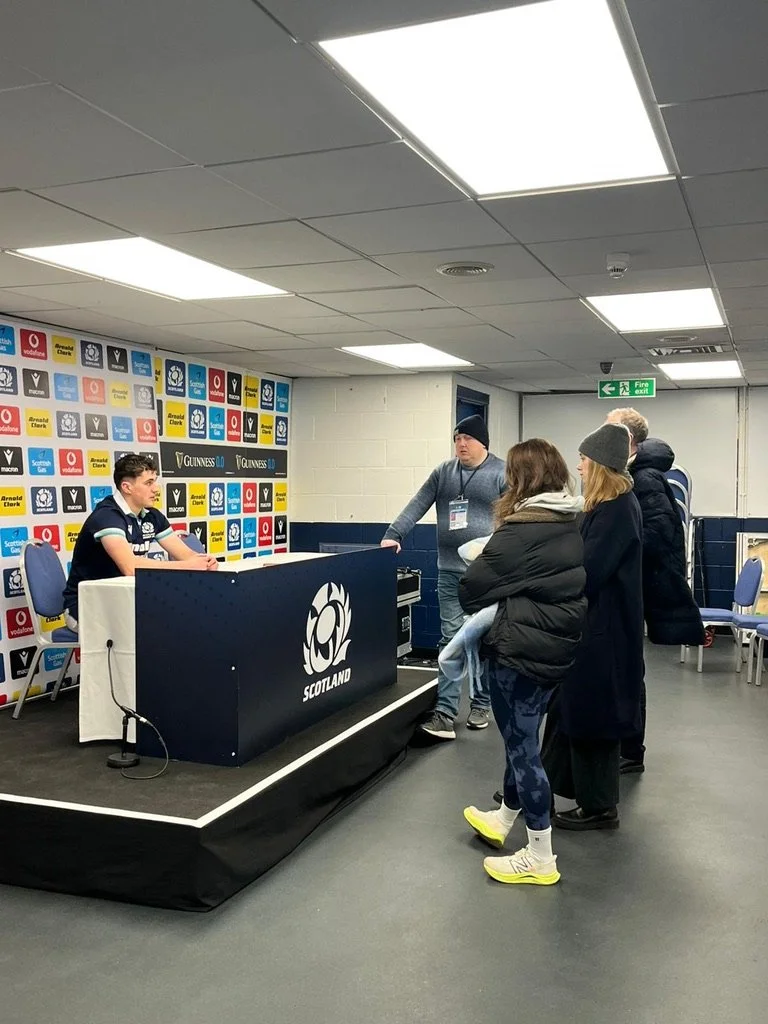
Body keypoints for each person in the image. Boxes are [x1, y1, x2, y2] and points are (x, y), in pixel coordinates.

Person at [457, 439, 586, 885]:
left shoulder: (521, 527)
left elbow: (470, 590)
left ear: (521, 479)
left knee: (523, 750)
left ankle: (539, 857)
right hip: (553, 648)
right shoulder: (568, 519)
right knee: (523, 739)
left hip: (520, 650)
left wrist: (490, 563)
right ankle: (504, 818)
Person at [543, 423, 644, 831]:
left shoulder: (617, 511)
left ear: (600, 464)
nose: (578, 466)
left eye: (584, 459)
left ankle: (600, 807)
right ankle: (539, 786)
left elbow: (590, 570)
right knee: (569, 713)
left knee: (595, 719)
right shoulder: (606, 507)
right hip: (596, 631)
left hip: (605, 636)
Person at [381, 415, 506, 740]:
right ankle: (446, 713)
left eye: (467, 438)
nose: (461, 444)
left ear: (483, 442)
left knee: (483, 639)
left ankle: (481, 703)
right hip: (450, 572)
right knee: (450, 639)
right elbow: (418, 503)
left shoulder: (501, 473)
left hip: (487, 575)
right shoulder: (444, 473)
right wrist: (395, 533)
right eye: (457, 438)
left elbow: (514, 515)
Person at [605, 408, 704, 773]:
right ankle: (626, 744)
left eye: (608, 429)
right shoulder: (632, 473)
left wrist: (619, 550)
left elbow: (658, 533)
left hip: (640, 588)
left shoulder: (643, 477)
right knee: (627, 669)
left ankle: (631, 749)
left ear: (626, 439)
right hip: (636, 587)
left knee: (629, 670)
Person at [62, 453, 218, 630]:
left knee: (182, 620)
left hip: (123, 603)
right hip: (86, 608)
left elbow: (186, 555)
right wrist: (189, 566)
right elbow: (130, 567)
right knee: (152, 632)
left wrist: (204, 561)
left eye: (155, 481)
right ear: (127, 487)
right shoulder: (107, 516)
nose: (156, 489)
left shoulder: (151, 516)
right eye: (148, 483)